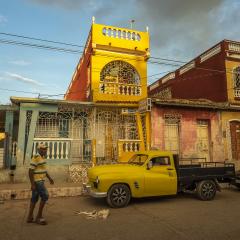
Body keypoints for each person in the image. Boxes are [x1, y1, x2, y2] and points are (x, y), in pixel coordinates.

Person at [27, 143, 54, 225]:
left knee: (34, 198)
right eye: (42, 149)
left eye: (45, 149)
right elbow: (30, 171)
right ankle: (39, 217)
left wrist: (49, 178)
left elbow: (43, 170)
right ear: (38, 150)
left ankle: (29, 217)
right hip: (38, 181)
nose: (45, 150)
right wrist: (32, 184)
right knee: (45, 196)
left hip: (40, 180)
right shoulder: (36, 157)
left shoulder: (42, 158)